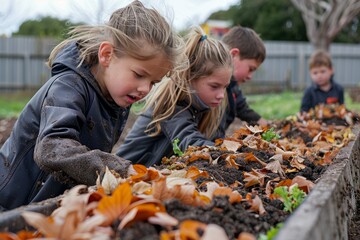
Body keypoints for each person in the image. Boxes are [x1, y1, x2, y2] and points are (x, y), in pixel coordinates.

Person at [0, 0, 186, 210]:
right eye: (139, 74)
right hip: (12, 205)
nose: (145, 89)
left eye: (153, 82)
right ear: (107, 55)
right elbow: (52, 147)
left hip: (53, 204)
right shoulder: (68, 87)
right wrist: (119, 170)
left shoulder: (115, 98)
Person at [116, 26, 233, 167]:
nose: (221, 95)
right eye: (214, 86)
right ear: (189, 77)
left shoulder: (206, 108)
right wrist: (231, 156)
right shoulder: (169, 106)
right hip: (125, 176)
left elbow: (217, 142)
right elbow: (190, 143)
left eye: (225, 87)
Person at [218, 26, 267, 138]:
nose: (250, 76)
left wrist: (266, 125)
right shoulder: (214, 88)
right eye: (251, 69)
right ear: (234, 55)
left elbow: (243, 109)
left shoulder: (233, 88)